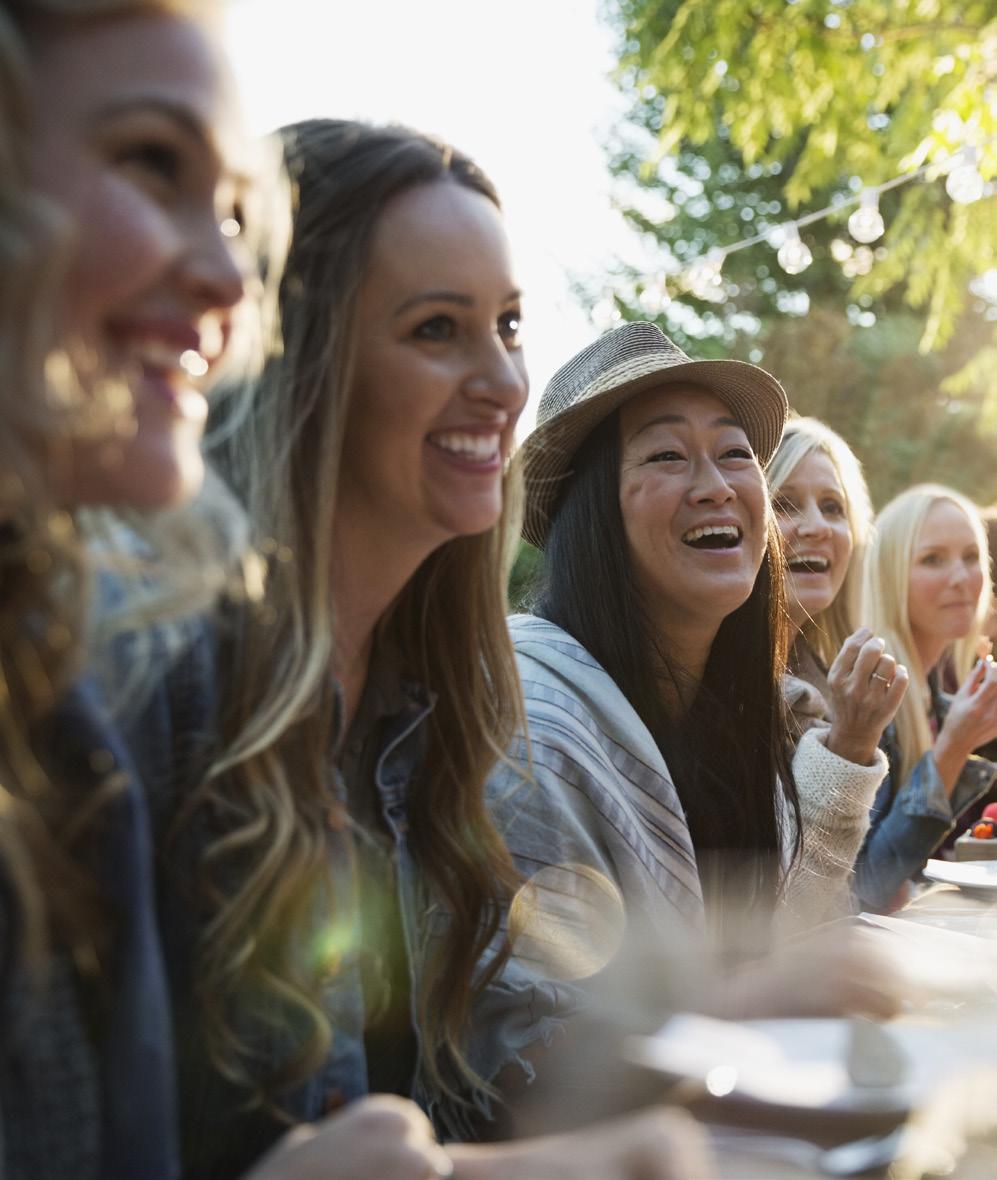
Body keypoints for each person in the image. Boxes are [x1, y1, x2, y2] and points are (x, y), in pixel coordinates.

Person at [153, 120, 711, 1180]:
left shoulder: (429, 706)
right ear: (293, 362)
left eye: (506, 324)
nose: (503, 381)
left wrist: (726, 1027)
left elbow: (437, 1121)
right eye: (436, 329)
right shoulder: (165, 689)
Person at [0, 1, 250, 1175]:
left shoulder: (48, 696)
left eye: (236, 210)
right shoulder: (146, 685)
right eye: (152, 161)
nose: (227, 278)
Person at [485, 322, 914, 980]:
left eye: (734, 454)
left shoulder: (752, 712)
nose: (716, 486)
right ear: (590, 512)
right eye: (665, 456)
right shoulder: (530, 735)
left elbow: (782, 943)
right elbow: (536, 1043)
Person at [766, 417, 907, 913]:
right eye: (784, 503)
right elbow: (787, 911)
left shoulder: (828, 682)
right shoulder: (710, 687)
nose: (817, 526)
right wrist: (849, 745)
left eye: (833, 507)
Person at [855, 484, 997, 910]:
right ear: (891, 575)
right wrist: (953, 749)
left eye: (971, 557)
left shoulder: (935, 696)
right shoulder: (870, 697)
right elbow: (863, 888)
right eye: (932, 559)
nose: (960, 577)